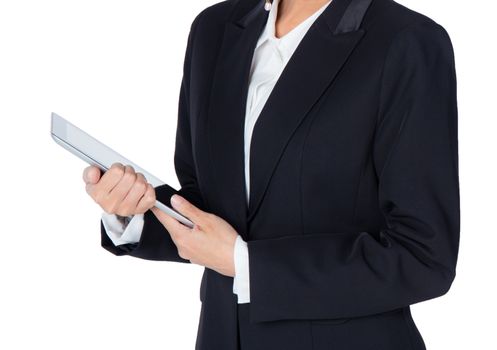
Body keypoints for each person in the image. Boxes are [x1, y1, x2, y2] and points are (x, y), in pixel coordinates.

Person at [82, 0, 460, 348]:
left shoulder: (406, 42)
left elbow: (423, 256)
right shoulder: (213, 29)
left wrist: (246, 264)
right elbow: (211, 205)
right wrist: (132, 212)